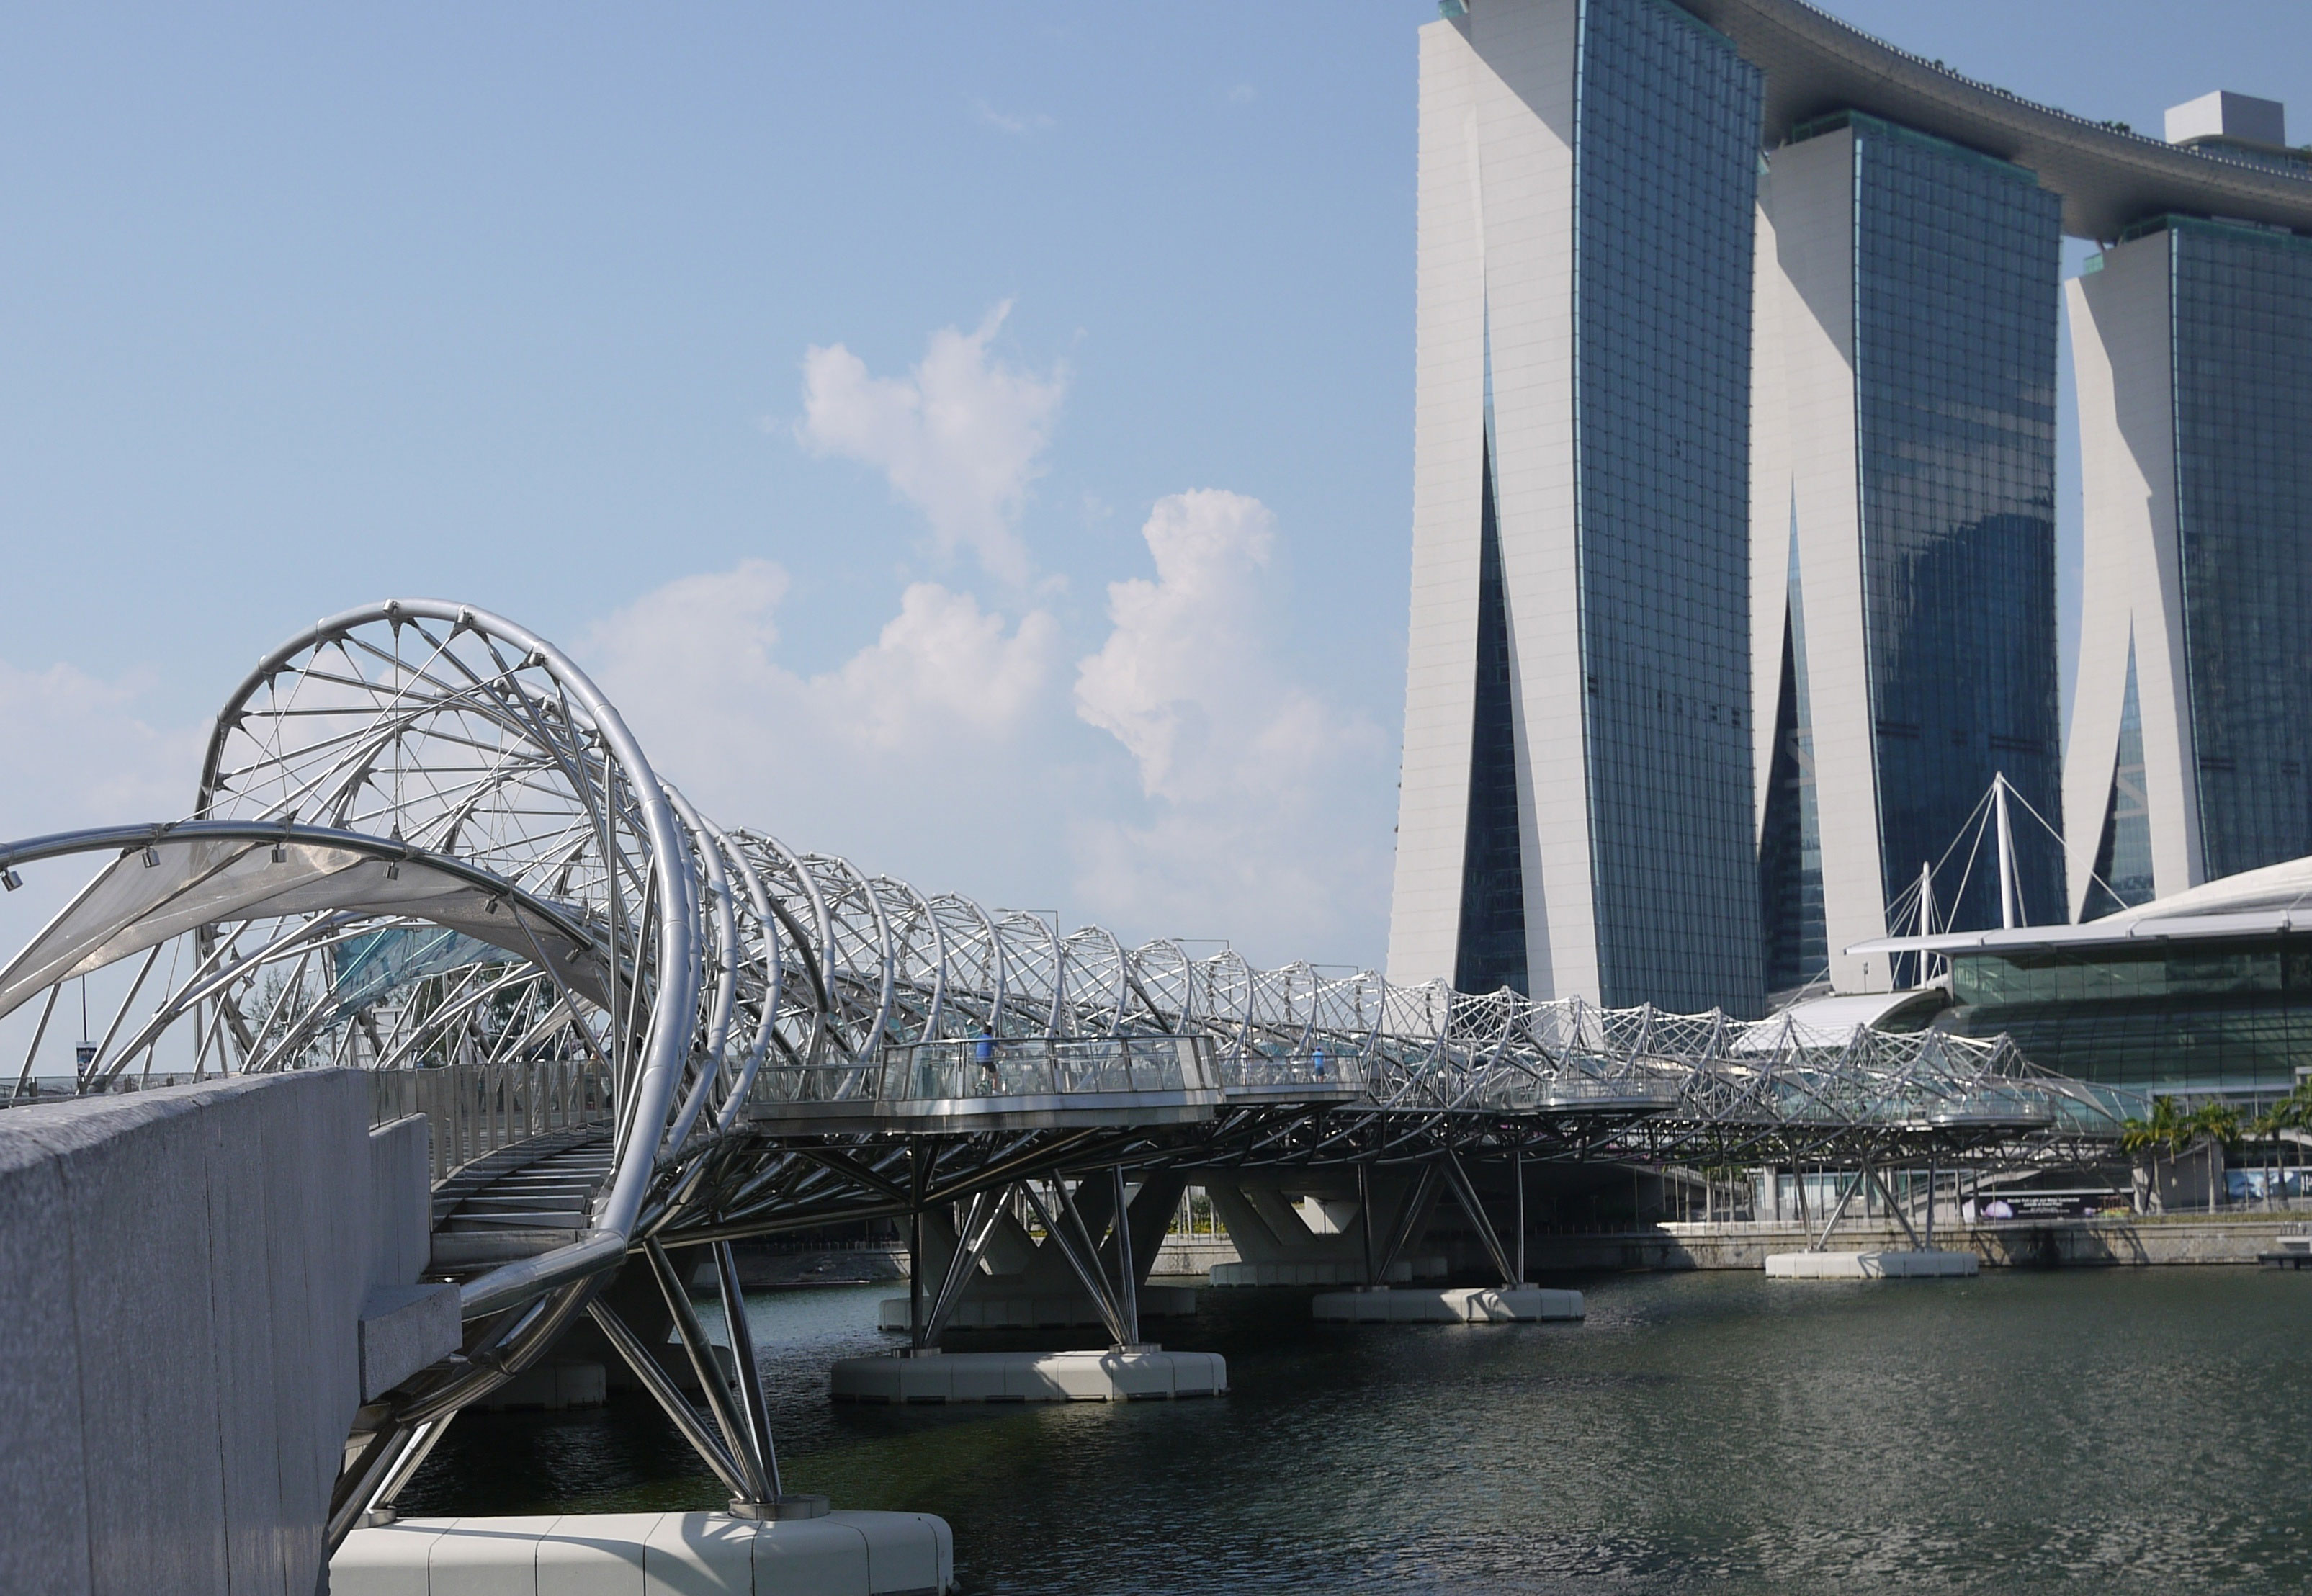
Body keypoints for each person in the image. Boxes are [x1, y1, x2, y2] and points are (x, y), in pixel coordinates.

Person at [974, 1022, 998, 1088]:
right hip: (987, 1059)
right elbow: (999, 1047)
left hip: (978, 1059)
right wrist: (1006, 1052)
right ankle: (994, 1090)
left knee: (985, 1066)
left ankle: (983, 1079)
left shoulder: (980, 1038)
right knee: (995, 1074)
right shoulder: (990, 1039)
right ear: (991, 1032)